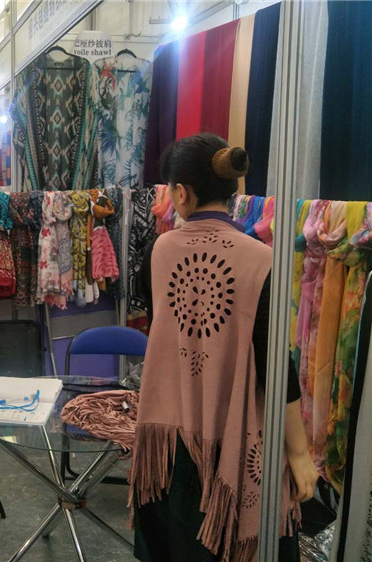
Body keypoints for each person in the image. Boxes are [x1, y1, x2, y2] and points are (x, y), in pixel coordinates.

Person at [129, 133, 318, 562]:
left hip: (173, 441)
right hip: (235, 437)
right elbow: (276, 365)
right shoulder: (263, 259)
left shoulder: (158, 251)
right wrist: (299, 452)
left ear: (181, 193)